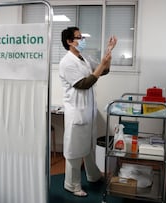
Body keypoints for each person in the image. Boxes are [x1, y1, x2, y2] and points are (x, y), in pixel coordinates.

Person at [59, 26, 117, 197]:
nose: (82, 39)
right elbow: (84, 83)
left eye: (82, 36)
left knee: (89, 147)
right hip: (76, 112)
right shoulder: (67, 62)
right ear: (69, 42)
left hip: (88, 111)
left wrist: (109, 53)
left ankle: (93, 176)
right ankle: (71, 184)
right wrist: (102, 64)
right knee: (75, 151)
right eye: (78, 37)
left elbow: (103, 70)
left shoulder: (83, 58)